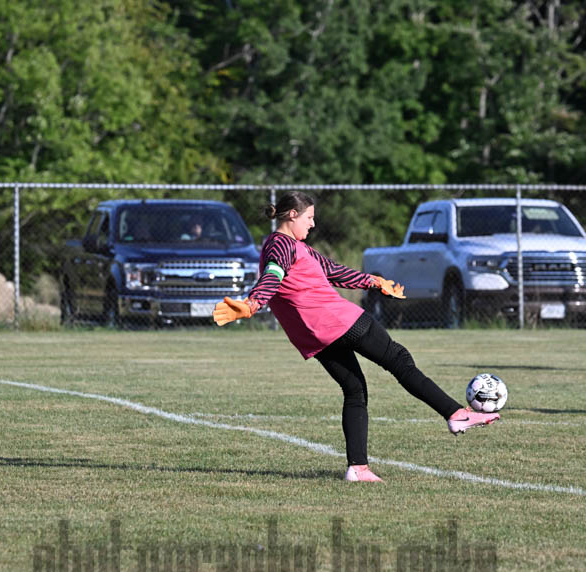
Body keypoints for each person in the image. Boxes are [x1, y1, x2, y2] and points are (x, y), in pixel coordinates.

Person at [212, 191, 499, 483]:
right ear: (292, 216)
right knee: (399, 359)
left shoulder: (296, 248)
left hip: (316, 336)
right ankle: (455, 413)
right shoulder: (281, 245)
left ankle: (357, 468)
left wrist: (374, 282)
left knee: (355, 389)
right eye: (309, 218)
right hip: (341, 321)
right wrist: (253, 302)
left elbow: (333, 271)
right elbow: (273, 274)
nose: (312, 224)